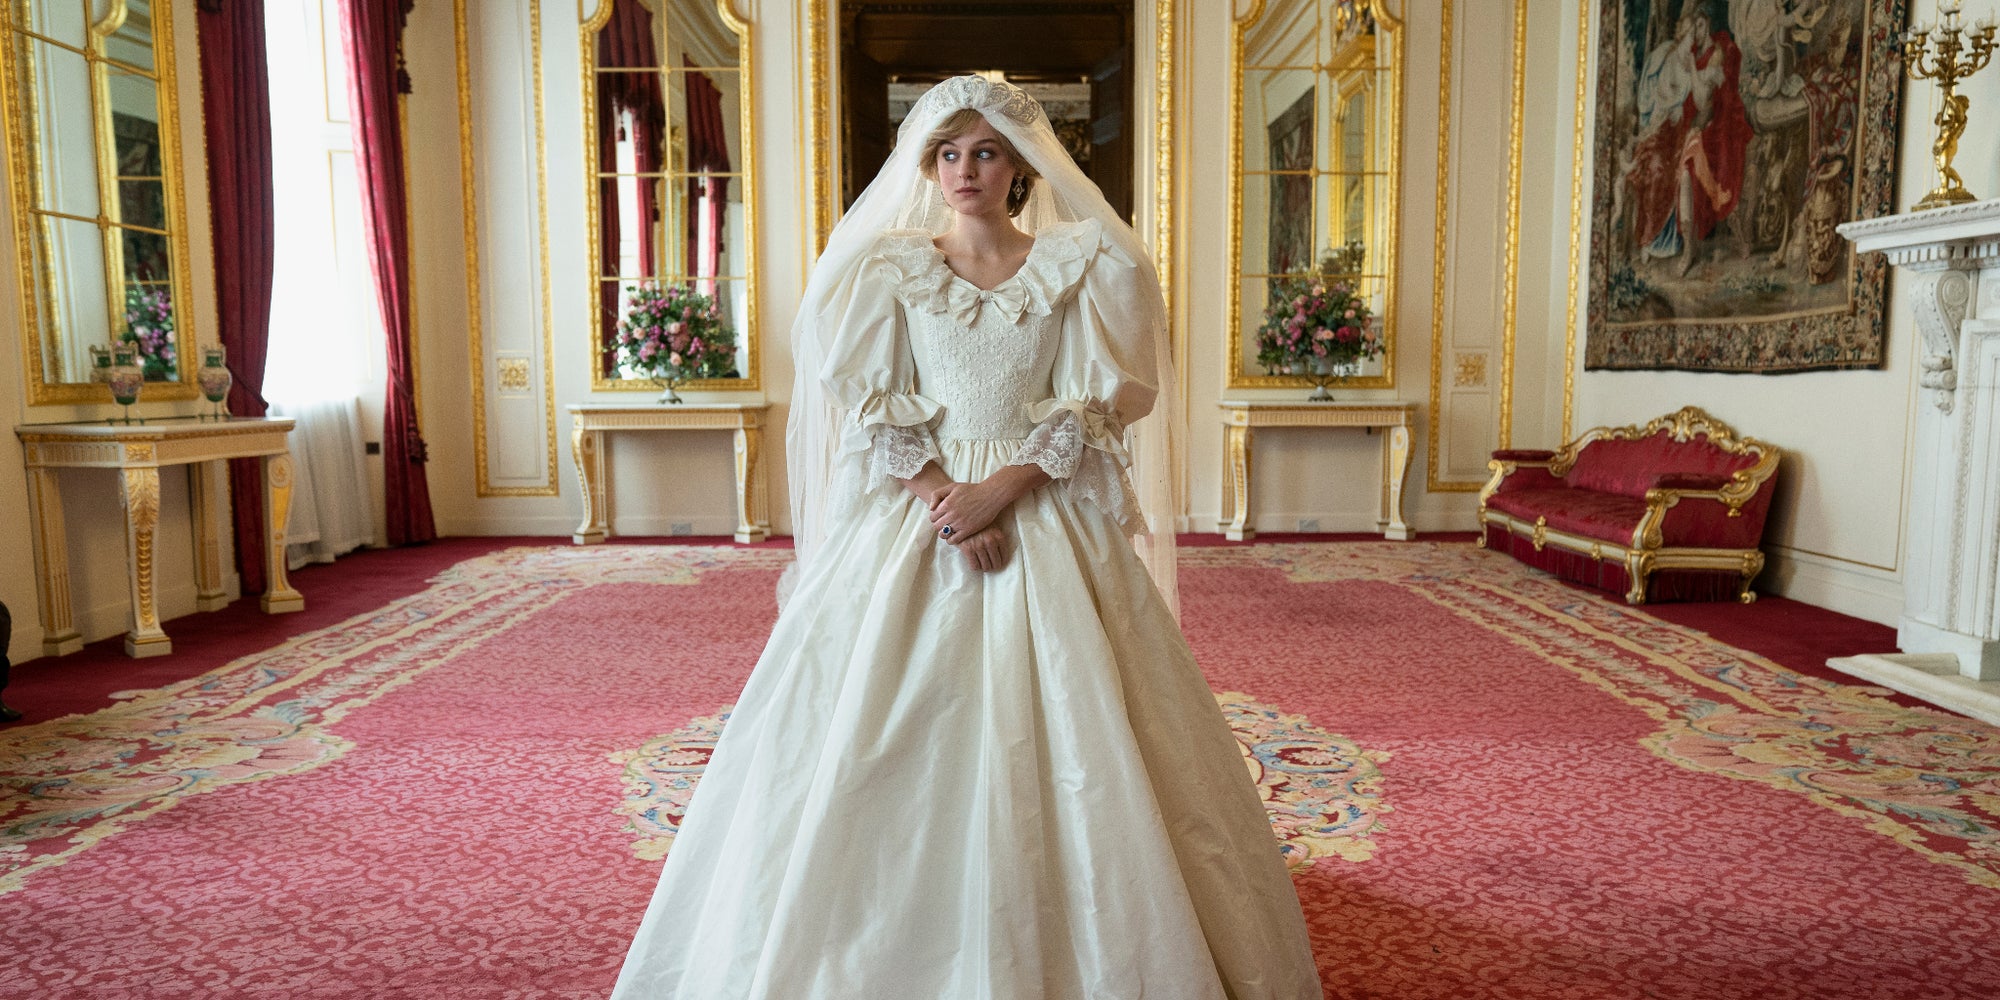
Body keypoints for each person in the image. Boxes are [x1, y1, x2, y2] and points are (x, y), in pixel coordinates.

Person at [610, 76, 1322, 1000]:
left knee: (1090, 727)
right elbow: (867, 400)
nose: (963, 170)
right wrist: (950, 501)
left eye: (984, 152)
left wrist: (1003, 493)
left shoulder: (1082, 265)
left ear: (1020, 166)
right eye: (947, 153)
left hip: (1039, 502)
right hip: (920, 508)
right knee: (872, 726)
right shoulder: (888, 268)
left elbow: (1095, 405)